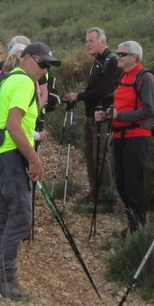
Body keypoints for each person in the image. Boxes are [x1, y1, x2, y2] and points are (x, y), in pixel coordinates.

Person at [0, 43, 57, 301]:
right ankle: (5, 279)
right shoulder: (24, 83)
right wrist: (34, 160)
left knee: (2, 215)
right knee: (21, 217)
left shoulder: (9, 79)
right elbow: (14, 125)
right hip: (12, 156)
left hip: (0, 154)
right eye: (41, 62)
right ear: (25, 59)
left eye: (48, 66)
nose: (44, 70)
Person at [95, 41, 154, 234]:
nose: (117, 57)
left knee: (132, 184)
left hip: (137, 137)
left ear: (134, 58)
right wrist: (107, 114)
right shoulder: (124, 77)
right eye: (117, 54)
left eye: (122, 55)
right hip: (121, 135)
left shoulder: (144, 77)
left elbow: (148, 109)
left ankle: (138, 231)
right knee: (121, 183)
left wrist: (119, 116)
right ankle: (132, 226)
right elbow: (121, 105)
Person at [63, 28, 119, 213]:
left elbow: (105, 89)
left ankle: (106, 197)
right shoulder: (97, 61)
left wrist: (79, 96)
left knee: (101, 154)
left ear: (103, 41)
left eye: (91, 41)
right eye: (86, 41)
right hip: (90, 114)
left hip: (102, 114)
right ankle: (95, 192)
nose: (87, 44)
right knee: (90, 153)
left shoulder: (111, 61)